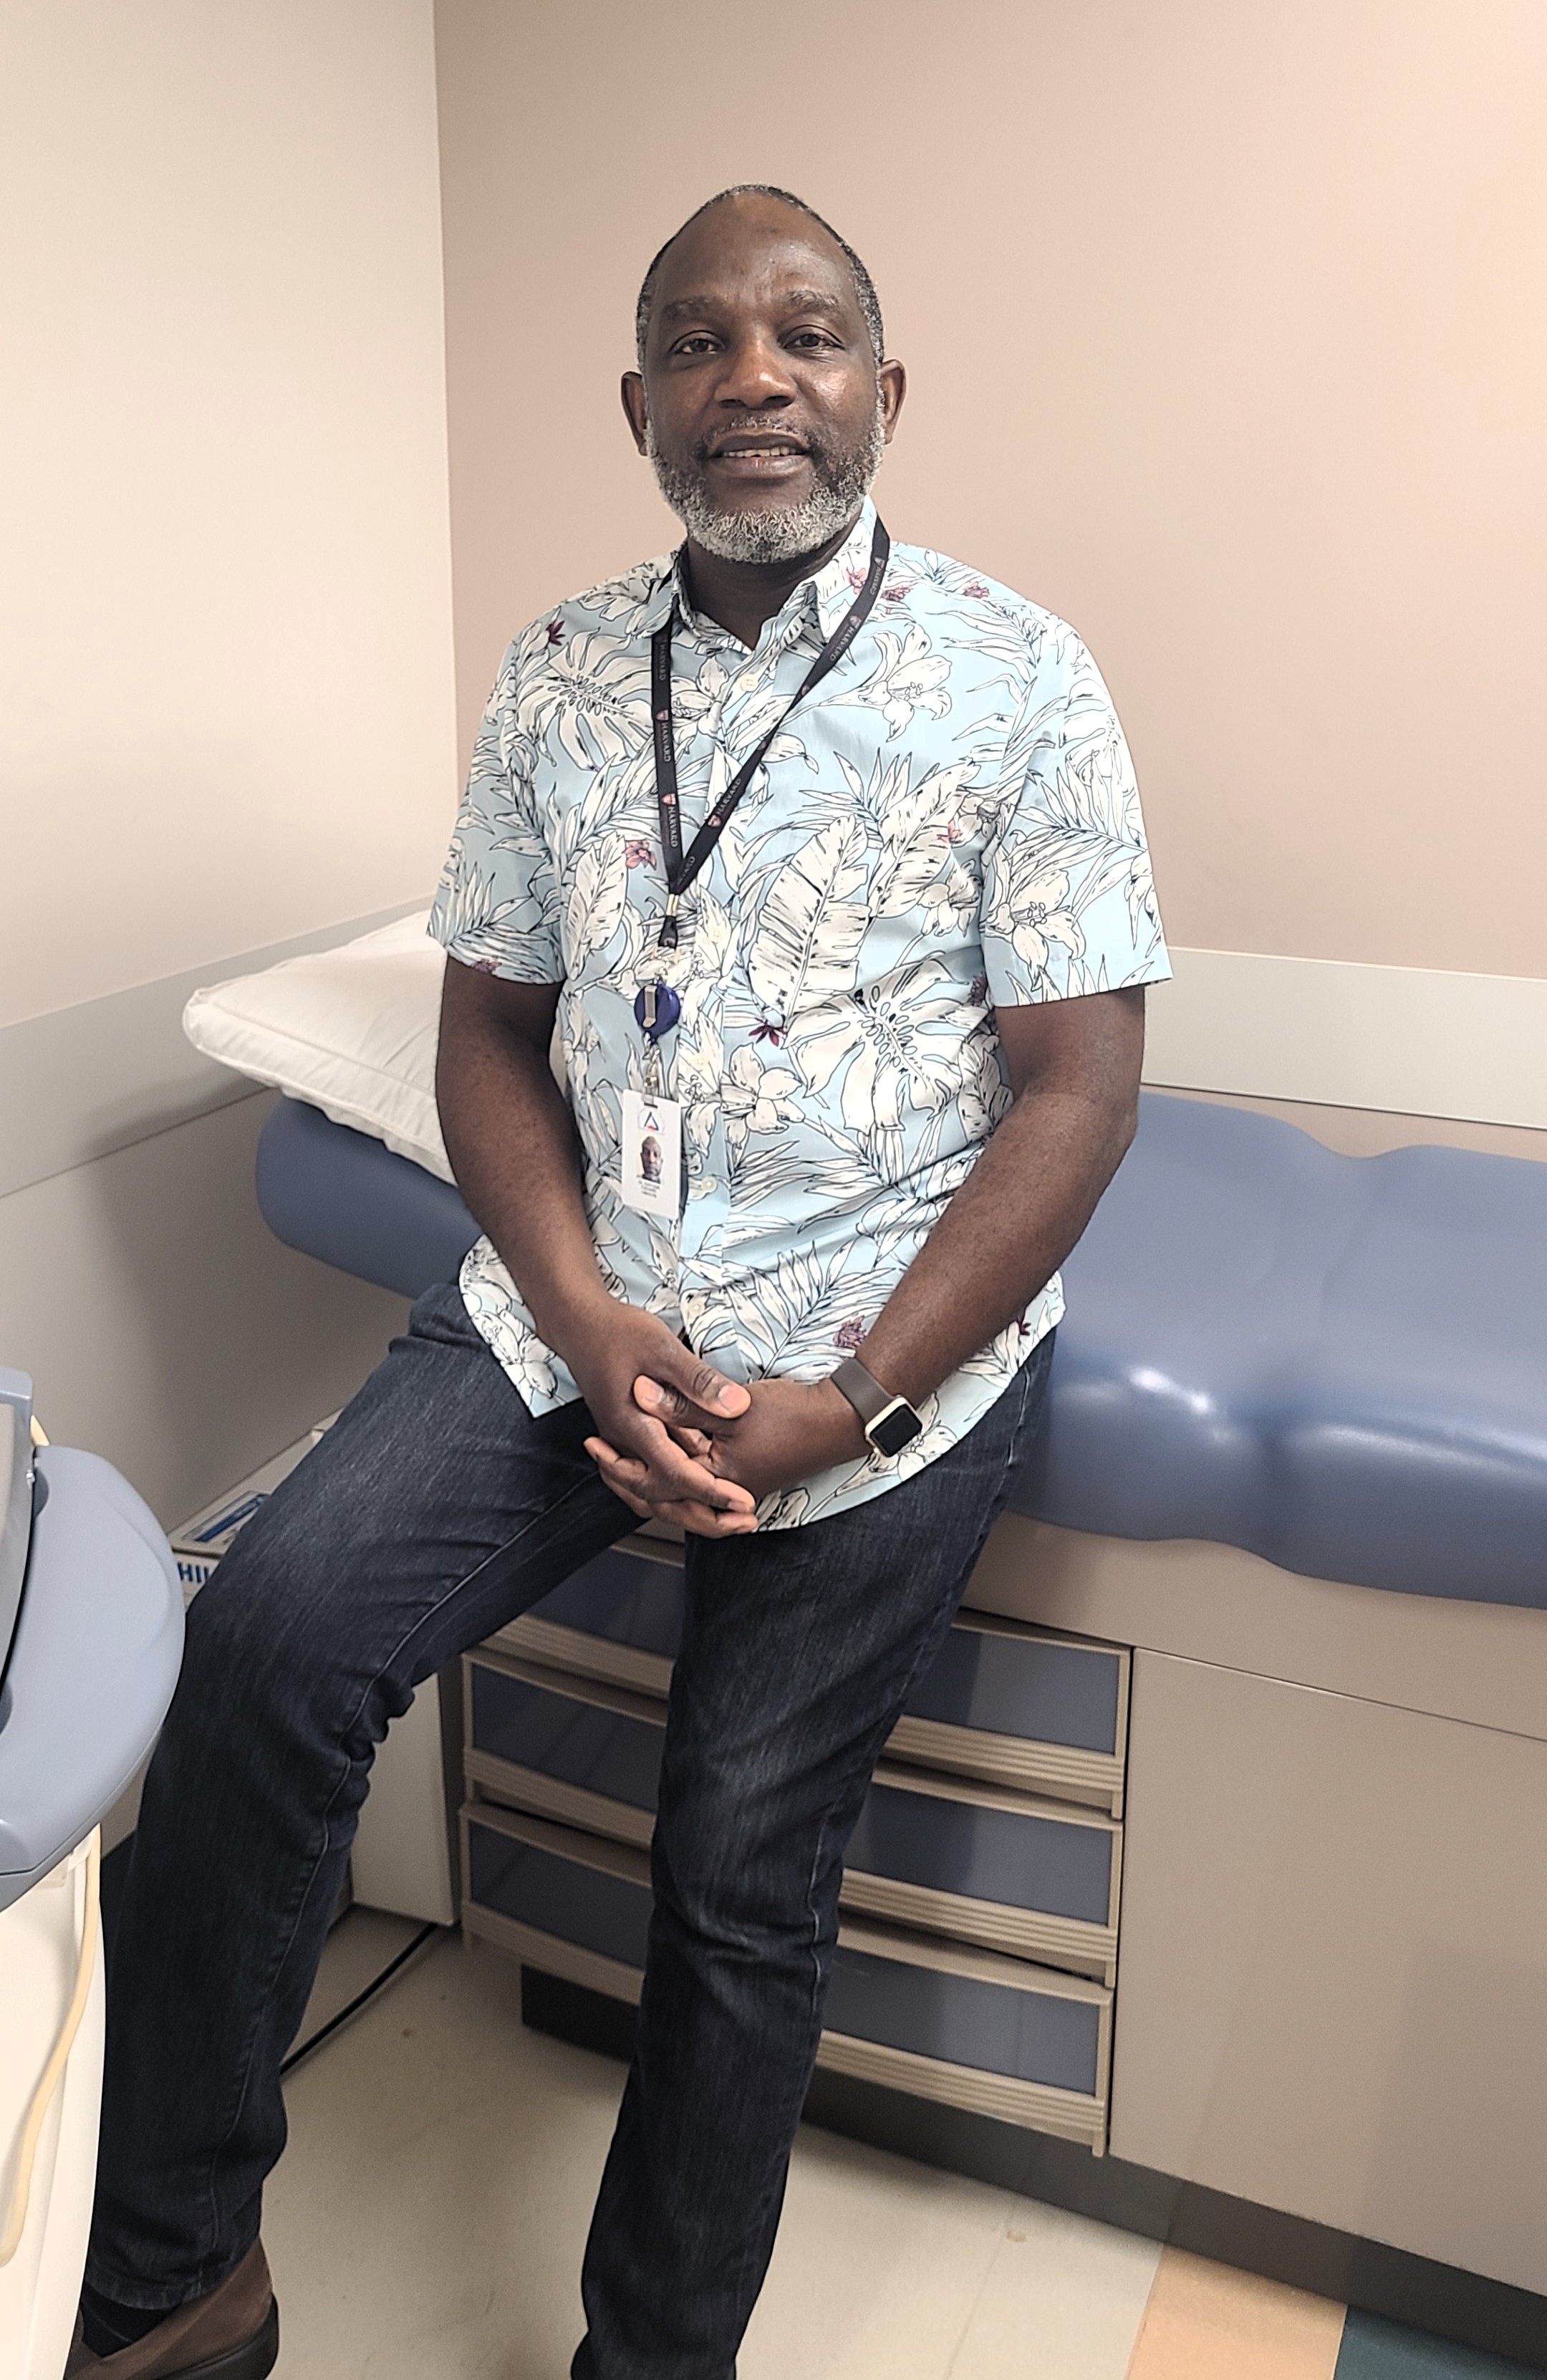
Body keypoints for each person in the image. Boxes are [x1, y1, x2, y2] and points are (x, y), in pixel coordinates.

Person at [72, 183, 1170, 2379]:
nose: (753, 375)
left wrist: (844, 1399)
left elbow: (1077, 1093)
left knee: (738, 1877)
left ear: (883, 389)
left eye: (808, 334)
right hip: (577, 1307)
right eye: (699, 338)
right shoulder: (563, 672)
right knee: (259, 1647)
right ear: (639, 399)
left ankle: (653, 2359)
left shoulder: (1020, 678)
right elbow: (490, 1024)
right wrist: (581, 1317)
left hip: (880, 1362)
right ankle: (171, 2272)